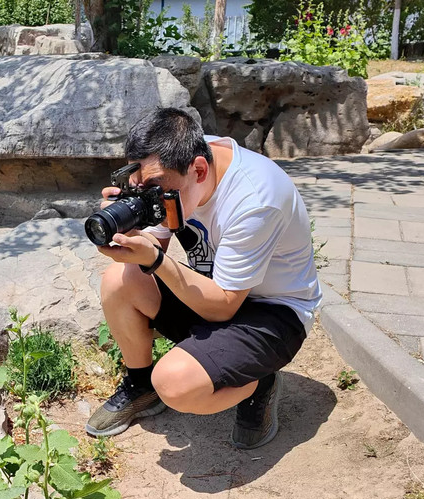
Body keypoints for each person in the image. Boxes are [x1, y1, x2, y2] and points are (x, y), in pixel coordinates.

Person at [85, 107, 322, 449]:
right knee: (119, 279)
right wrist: (131, 227)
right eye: (143, 188)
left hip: (274, 315)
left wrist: (155, 260)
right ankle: (141, 385)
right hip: (215, 291)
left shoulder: (255, 200)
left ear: (198, 169)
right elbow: (156, 240)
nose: (153, 196)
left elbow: (223, 307)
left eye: (156, 190)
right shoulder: (174, 163)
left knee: (176, 384)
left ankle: (261, 381)